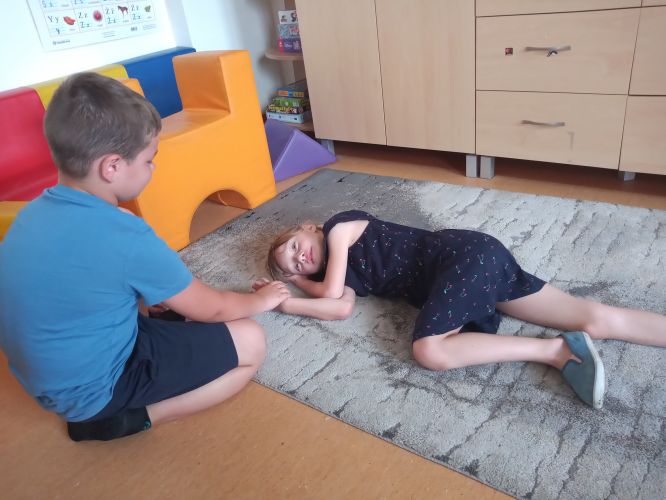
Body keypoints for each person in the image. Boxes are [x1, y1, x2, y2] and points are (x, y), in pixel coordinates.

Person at [0, 72, 290, 442]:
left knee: (159, 305)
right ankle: (132, 418)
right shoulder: (126, 235)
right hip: (96, 393)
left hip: (47, 380)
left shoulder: (28, 215)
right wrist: (259, 300)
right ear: (112, 167)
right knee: (252, 341)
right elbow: (214, 308)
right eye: (149, 160)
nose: (152, 168)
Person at [257, 209, 666, 409]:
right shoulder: (346, 276)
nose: (300, 258)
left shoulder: (339, 227)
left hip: (459, 260)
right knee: (591, 316)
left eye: (294, 247)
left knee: (429, 349)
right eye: (294, 265)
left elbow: (329, 294)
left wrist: (297, 285)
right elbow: (338, 308)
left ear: (308, 226)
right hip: (475, 266)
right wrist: (290, 301)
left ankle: (555, 351)